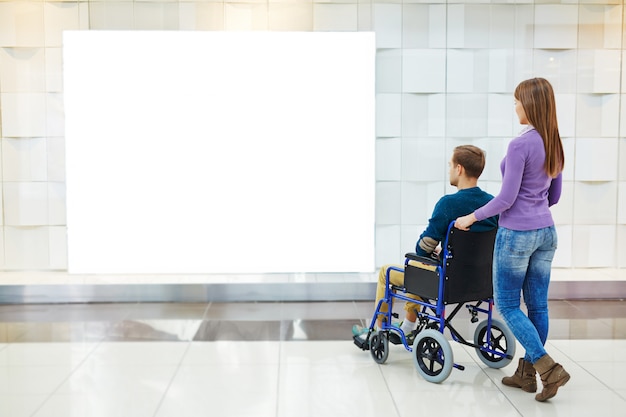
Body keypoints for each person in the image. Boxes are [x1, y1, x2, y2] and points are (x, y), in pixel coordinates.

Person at [455, 77, 569, 402]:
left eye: (518, 101)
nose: (515, 106)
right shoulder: (555, 142)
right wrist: (534, 207)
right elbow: (555, 196)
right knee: (537, 306)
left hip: (517, 234)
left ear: (530, 105)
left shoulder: (520, 146)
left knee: (506, 304)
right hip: (546, 233)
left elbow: (506, 199)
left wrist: (471, 216)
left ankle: (548, 369)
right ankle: (527, 374)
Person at [353, 145, 498, 345]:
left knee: (390, 271)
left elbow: (424, 247)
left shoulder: (448, 204)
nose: (449, 170)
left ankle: (379, 330)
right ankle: (407, 327)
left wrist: (434, 250)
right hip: (480, 283)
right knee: (422, 268)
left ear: (459, 169)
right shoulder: (493, 204)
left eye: (450, 165)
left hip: (446, 282)